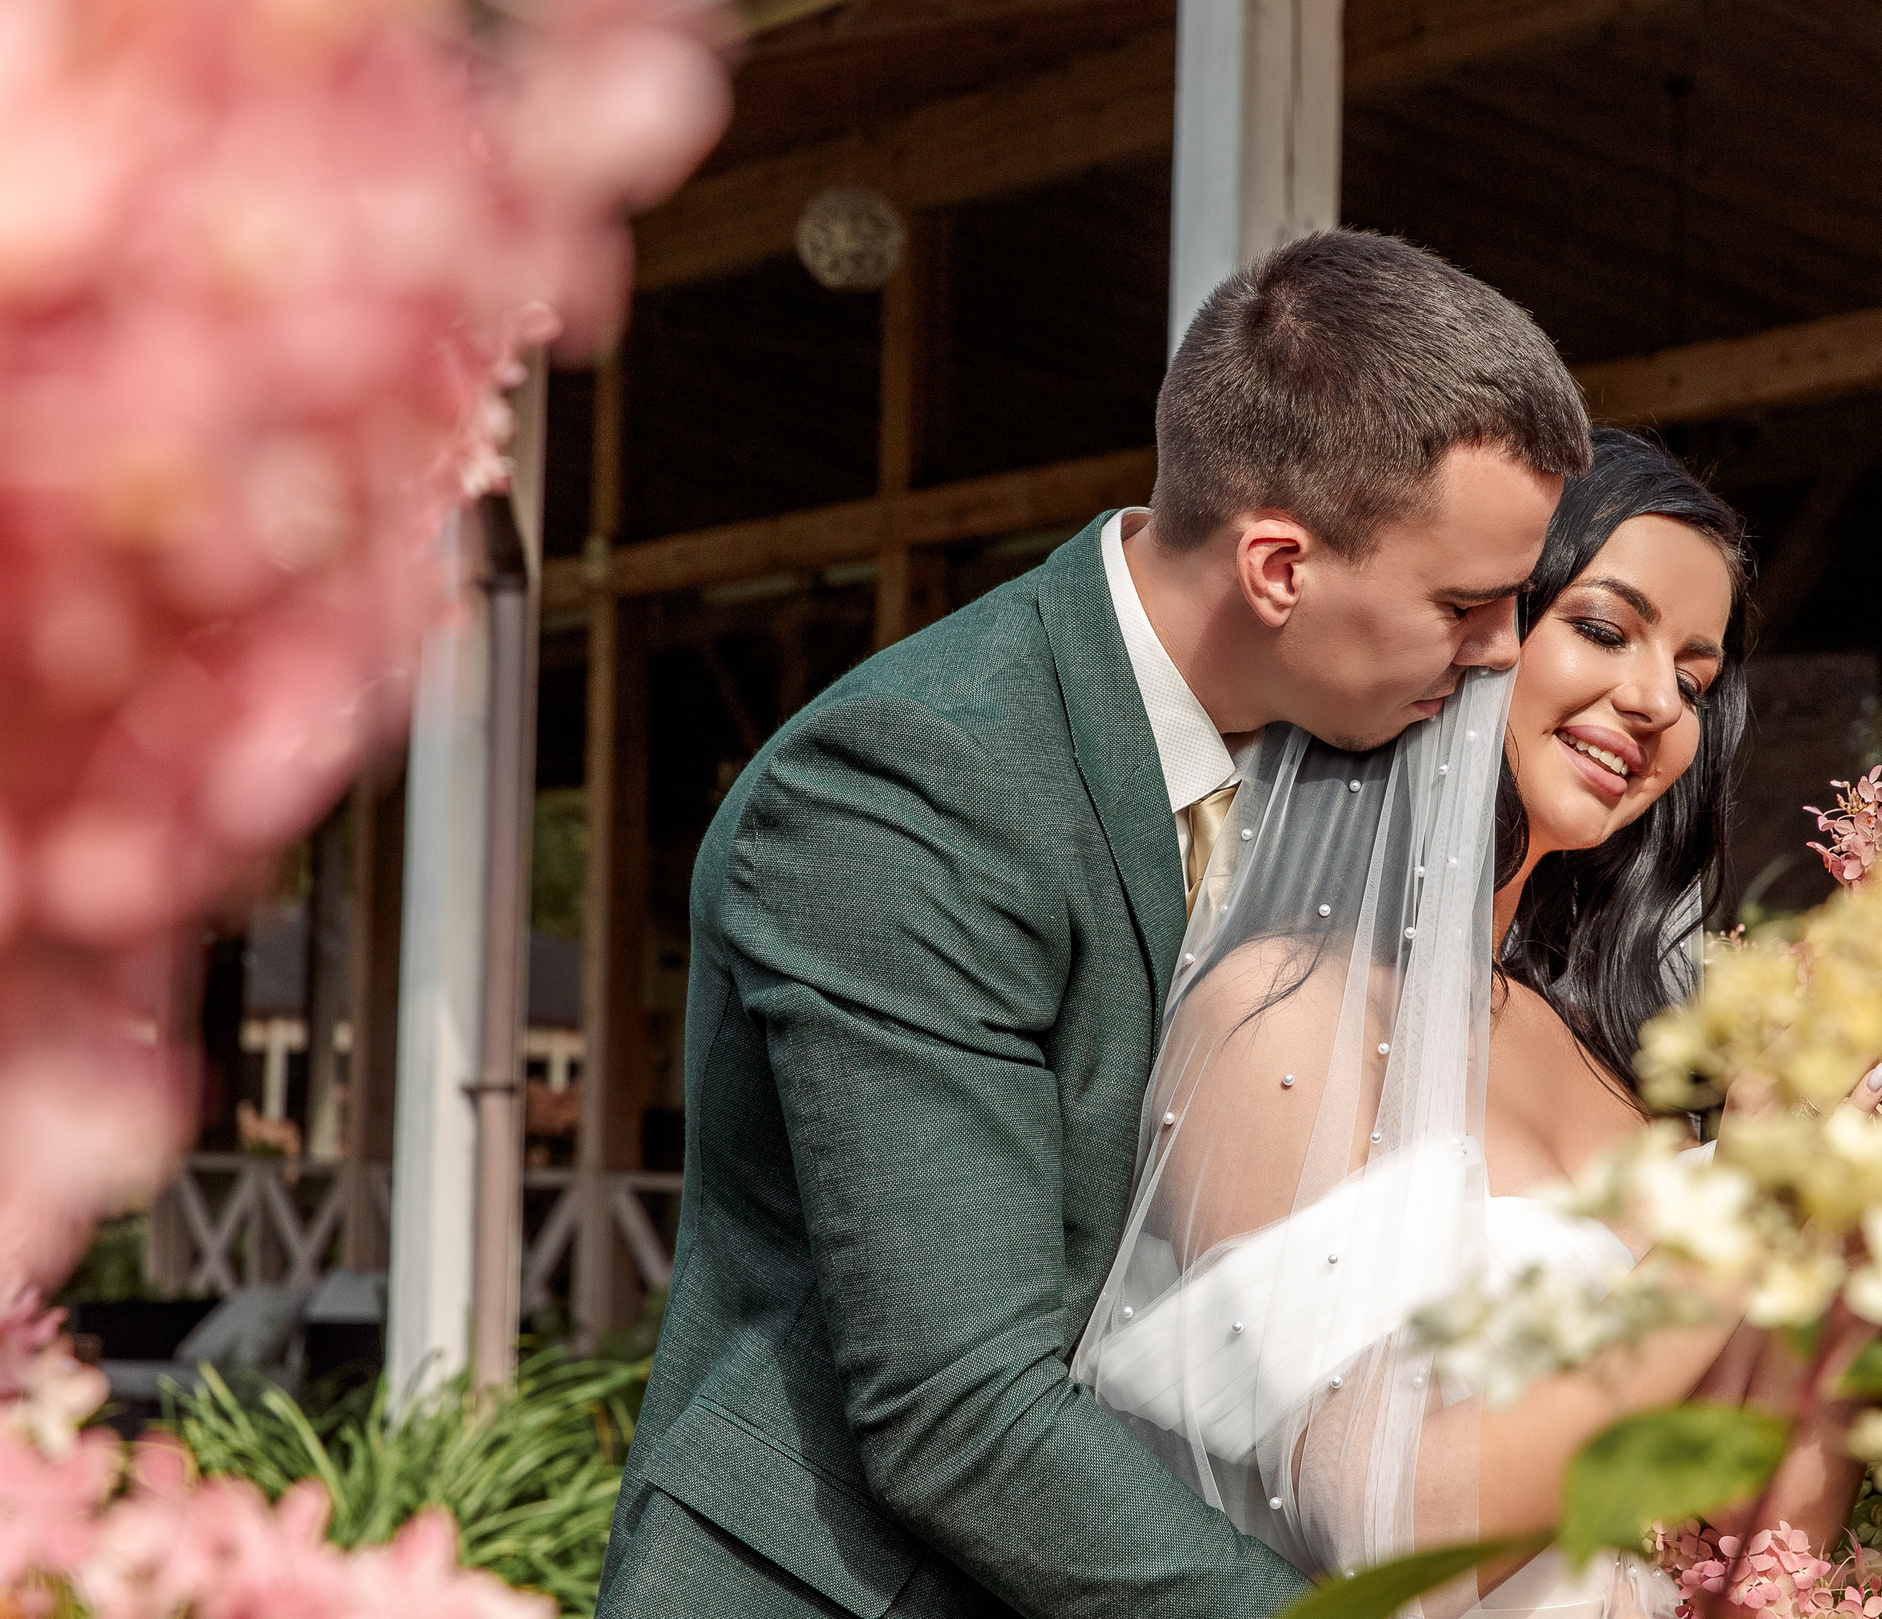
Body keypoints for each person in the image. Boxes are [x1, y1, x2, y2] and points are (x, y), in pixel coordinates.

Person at [594, 229, 1589, 1619]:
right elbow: (957, 1405)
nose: (1504, 646)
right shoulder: (913, 785)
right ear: (1279, 567)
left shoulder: (1342, 755)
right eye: (1465, 603)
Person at [1072, 431, 1858, 1617]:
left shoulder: (1623, 1057)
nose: (1657, 702)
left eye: (1694, 681)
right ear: (1466, 632)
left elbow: (1760, 1545)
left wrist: (1854, 1233)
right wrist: (1733, 1221)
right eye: (1605, 629)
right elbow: (1387, 1536)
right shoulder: (1281, 1018)